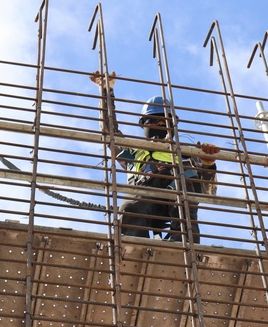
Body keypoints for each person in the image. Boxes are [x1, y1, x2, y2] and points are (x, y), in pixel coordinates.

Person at [91, 71, 219, 243]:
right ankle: (133, 249)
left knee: (187, 198)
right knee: (129, 207)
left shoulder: (186, 153)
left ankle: (184, 249)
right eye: (153, 120)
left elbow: (208, 192)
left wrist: (208, 164)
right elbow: (108, 132)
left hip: (178, 193)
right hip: (144, 193)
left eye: (163, 121)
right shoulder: (134, 151)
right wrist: (106, 90)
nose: (159, 125)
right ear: (144, 124)